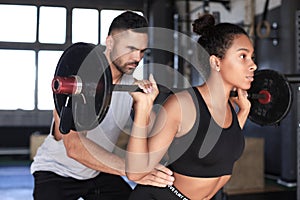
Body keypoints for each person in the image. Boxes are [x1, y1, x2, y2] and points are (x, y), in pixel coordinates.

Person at [30, 10, 174, 200]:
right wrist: (134, 170)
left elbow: (153, 132)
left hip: (97, 172)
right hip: (57, 172)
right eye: (130, 48)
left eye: (142, 51)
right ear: (110, 42)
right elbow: (74, 147)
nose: (137, 58)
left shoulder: (132, 86)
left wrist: (146, 107)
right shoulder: (77, 77)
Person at [126, 13, 257, 200]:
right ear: (215, 62)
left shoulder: (229, 108)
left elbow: (223, 145)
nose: (253, 65)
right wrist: (142, 110)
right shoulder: (182, 105)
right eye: (243, 56)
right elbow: (136, 173)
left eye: (252, 57)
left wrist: (244, 112)